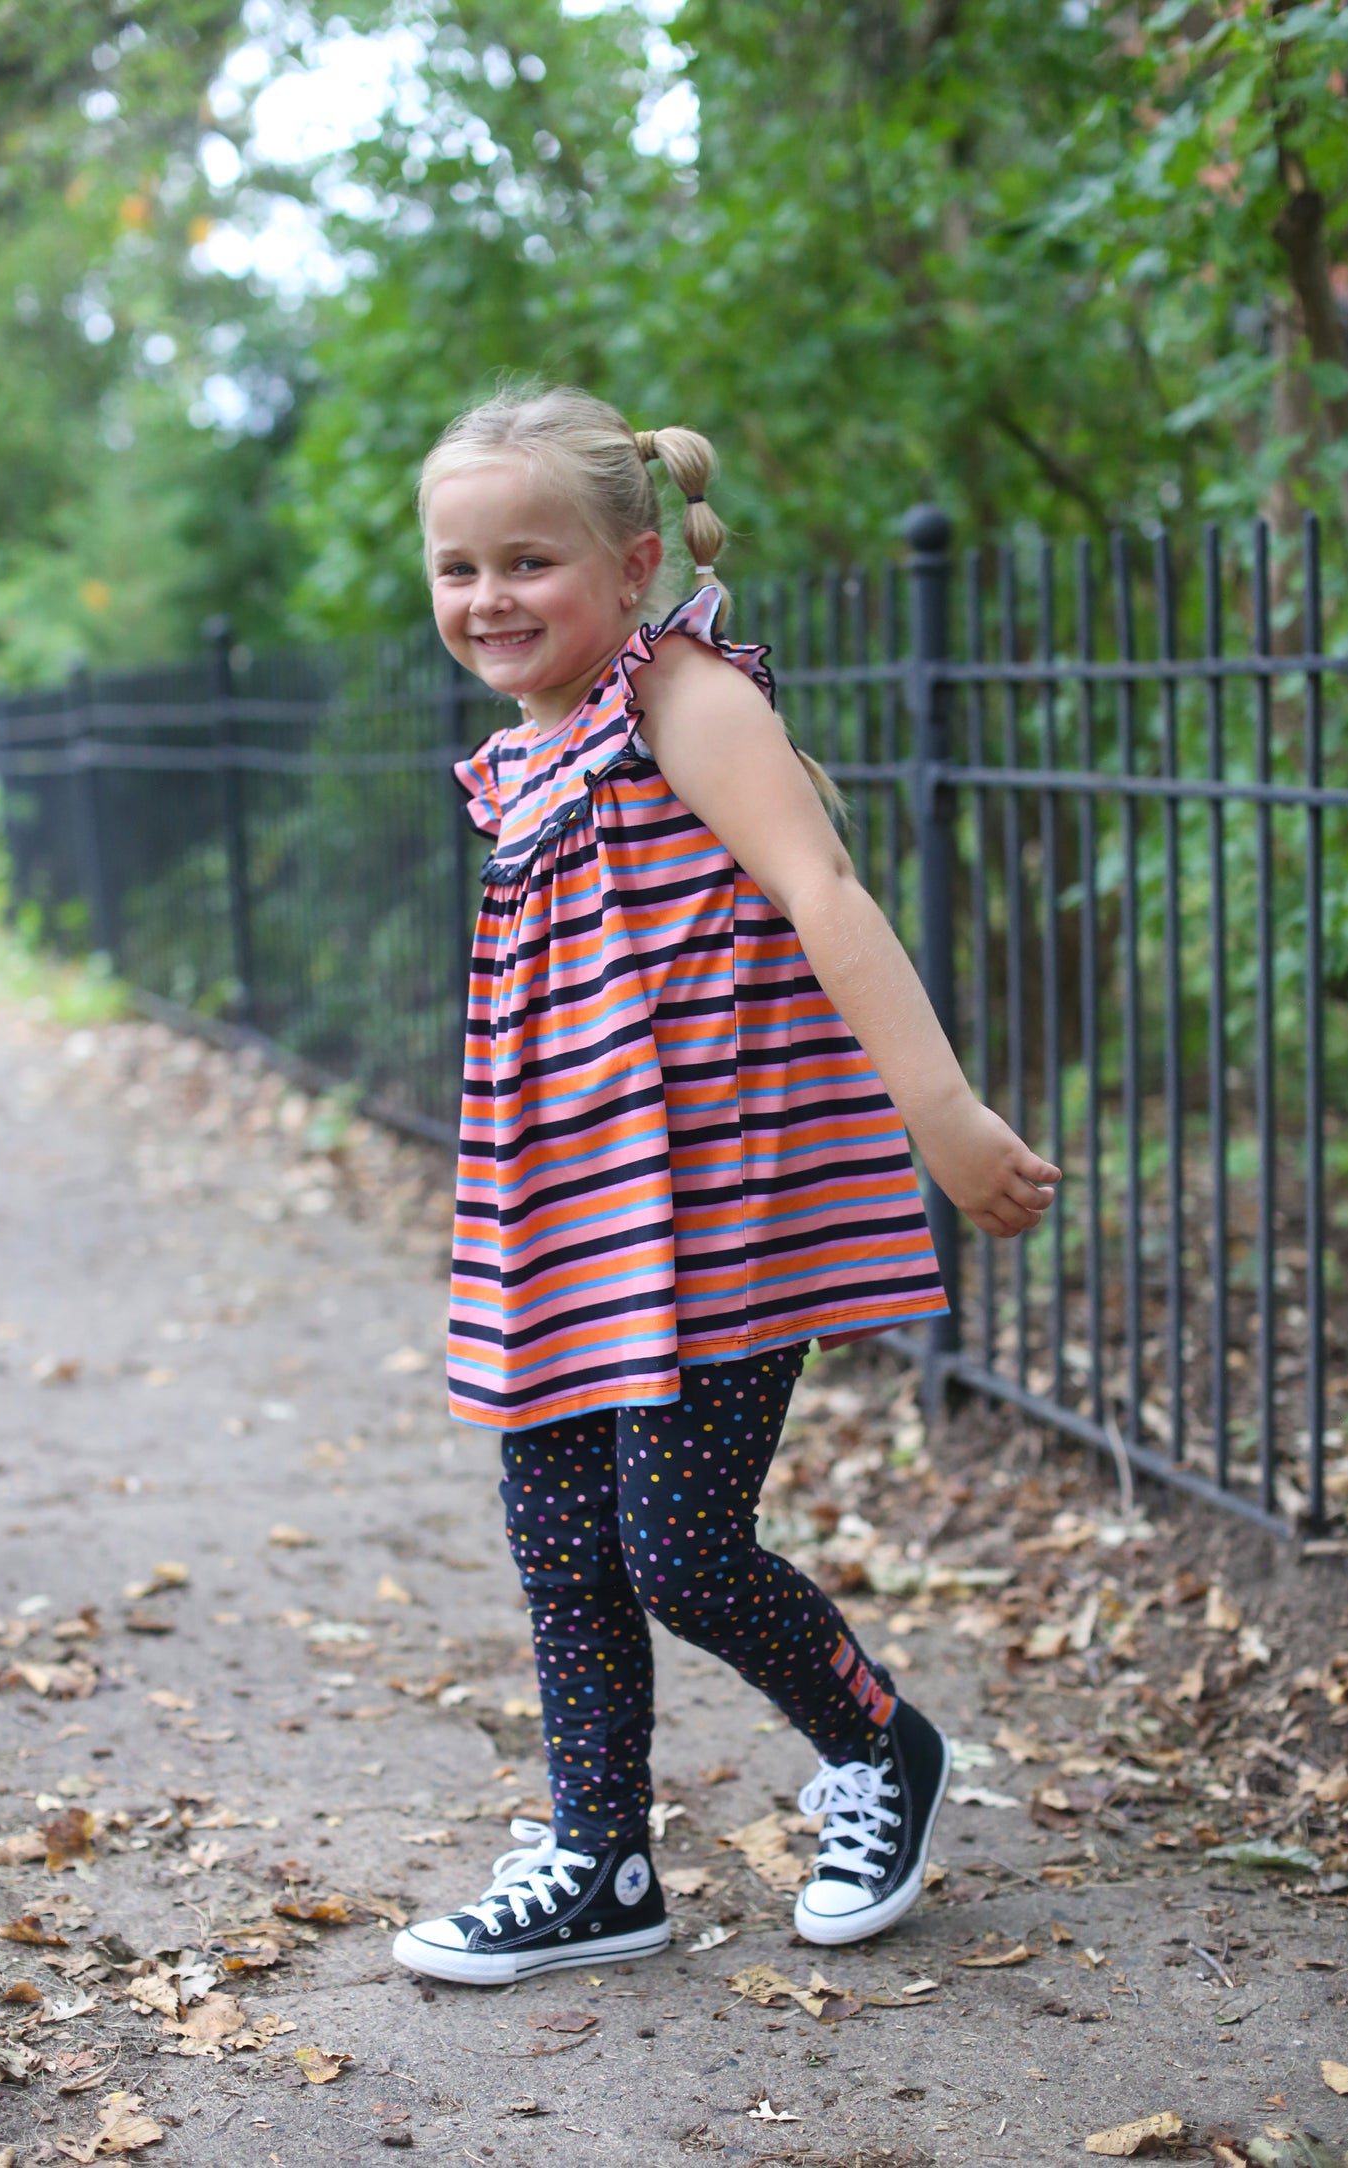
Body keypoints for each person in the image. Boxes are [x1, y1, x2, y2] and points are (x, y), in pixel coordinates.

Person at [392, 386, 1060, 1987]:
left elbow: (821, 890)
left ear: (632, 566)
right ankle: (599, 1859)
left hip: (719, 1206)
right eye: (456, 567)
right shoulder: (531, 746)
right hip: (570, 1198)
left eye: (527, 561)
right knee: (559, 1540)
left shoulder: (677, 698)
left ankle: (879, 1745)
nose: (487, 598)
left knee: (676, 1544)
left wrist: (943, 1111)